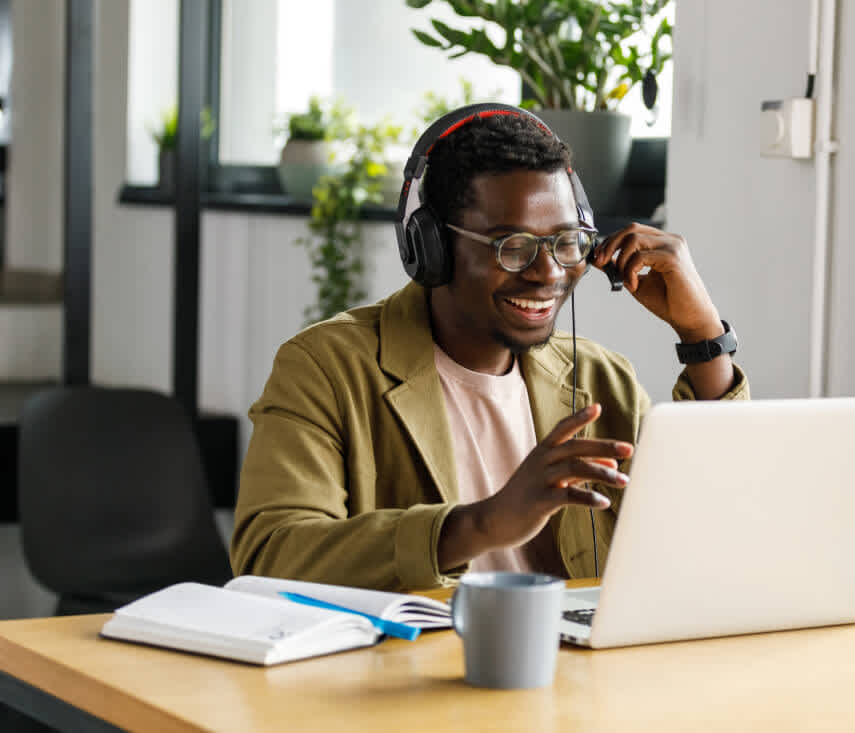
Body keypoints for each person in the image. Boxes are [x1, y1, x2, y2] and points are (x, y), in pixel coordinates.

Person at [230, 105, 749, 591]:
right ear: (432, 248)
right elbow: (269, 556)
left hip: (583, 674)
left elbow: (717, 522)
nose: (548, 272)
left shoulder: (599, 378)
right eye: (513, 246)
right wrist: (480, 524)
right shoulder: (328, 368)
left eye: (567, 243)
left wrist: (703, 335)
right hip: (416, 675)